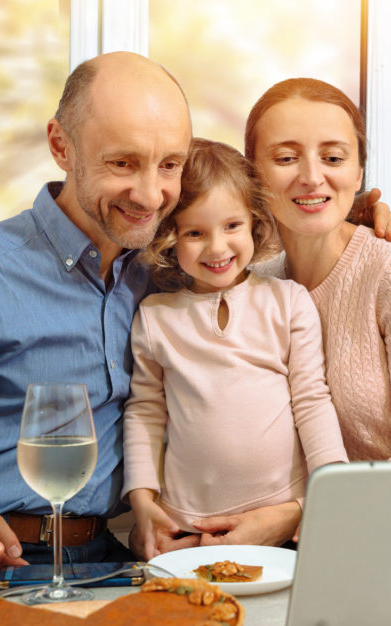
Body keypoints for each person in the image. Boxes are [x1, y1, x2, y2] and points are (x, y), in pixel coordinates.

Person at [0, 53, 391, 595]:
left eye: (169, 165)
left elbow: (247, 270)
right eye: (122, 162)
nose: (150, 194)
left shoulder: (163, 272)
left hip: (111, 561)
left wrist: (354, 220)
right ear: (61, 146)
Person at [193, 77, 391, 545]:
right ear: (253, 175)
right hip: (340, 540)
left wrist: (295, 516)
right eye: (285, 158)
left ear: (359, 171)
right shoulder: (260, 284)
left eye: (333, 157)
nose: (311, 176)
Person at [123, 138, 348, 560]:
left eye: (232, 226)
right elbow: (146, 412)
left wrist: (328, 489)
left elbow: (312, 400)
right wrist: (142, 499)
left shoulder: (288, 301)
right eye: (195, 232)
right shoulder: (156, 316)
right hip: (185, 528)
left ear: (253, 223)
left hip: (281, 523)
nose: (217, 247)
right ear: (170, 238)